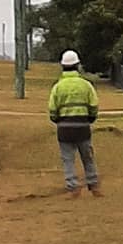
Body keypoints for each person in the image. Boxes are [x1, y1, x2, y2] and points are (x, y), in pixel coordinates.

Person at [48, 50, 100, 198]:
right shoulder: (86, 85)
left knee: (68, 160)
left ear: (63, 66)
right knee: (88, 157)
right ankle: (93, 185)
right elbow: (94, 105)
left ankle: (73, 187)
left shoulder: (58, 87)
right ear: (77, 66)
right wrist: (89, 119)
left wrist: (58, 120)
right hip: (83, 127)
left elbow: (52, 109)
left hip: (64, 129)